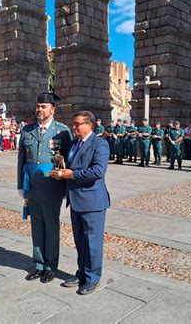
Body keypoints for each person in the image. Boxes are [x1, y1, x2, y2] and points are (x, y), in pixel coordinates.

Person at [52, 111, 110, 295]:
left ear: (89, 125)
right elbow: (69, 164)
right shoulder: (74, 144)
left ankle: (93, 278)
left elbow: (98, 171)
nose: (74, 127)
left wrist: (72, 174)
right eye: (73, 124)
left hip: (92, 201)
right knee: (80, 241)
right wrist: (60, 168)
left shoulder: (100, 144)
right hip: (76, 200)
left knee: (92, 242)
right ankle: (82, 273)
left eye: (78, 124)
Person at [17, 92, 72, 283]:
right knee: (36, 226)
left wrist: (65, 183)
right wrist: (20, 185)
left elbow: (68, 159)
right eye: (38, 106)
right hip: (32, 185)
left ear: (52, 109)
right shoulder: (27, 130)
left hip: (51, 185)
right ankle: (39, 264)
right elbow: (21, 160)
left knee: (51, 226)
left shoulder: (62, 131)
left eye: (44, 106)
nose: (39, 110)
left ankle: (51, 266)